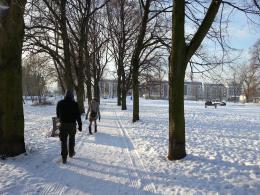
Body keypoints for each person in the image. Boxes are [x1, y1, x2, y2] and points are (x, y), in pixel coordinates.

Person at [56, 90, 82, 164]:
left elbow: (58, 114)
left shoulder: (60, 103)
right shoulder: (75, 104)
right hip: (72, 125)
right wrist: (80, 125)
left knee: (63, 141)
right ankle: (71, 153)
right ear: (72, 96)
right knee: (72, 139)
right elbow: (78, 116)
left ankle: (64, 158)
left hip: (63, 125)